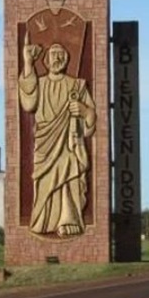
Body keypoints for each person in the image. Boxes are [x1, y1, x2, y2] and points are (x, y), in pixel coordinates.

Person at [18, 34, 96, 237]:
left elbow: (91, 119)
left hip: (69, 143)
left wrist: (84, 111)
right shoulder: (40, 83)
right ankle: (44, 221)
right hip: (45, 143)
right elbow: (28, 103)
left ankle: (69, 219)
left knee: (69, 175)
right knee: (44, 183)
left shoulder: (77, 86)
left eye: (61, 54)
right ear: (45, 60)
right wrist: (27, 63)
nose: (57, 58)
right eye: (53, 54)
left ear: (67, 59)